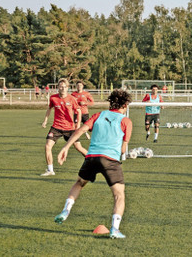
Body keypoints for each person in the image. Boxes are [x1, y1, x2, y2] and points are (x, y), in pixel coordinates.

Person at [54, 89, 133, 239]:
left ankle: (66, 211)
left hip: (91, 157)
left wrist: (65, 147)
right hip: (110, 160)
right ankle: (115, 229)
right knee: (119, 195)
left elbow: (80, 130)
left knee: (79, 183)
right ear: (125, 105)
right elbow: (123, 149)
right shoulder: (126, 121)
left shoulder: (99, 115)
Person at [40, 78, 87, 176]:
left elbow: (78, 111)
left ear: (67, 88)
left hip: (69, 128)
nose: (62, 88)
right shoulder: (53, 98)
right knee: (48, 146)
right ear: (58, 87)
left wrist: (77, 125)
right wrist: (45, 120)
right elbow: (49, 109)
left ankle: (95, 162)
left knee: (79, 147)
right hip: (56, 127)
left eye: (64, 87)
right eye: (61, 86)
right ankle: (50, 170)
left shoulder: (72, 99)